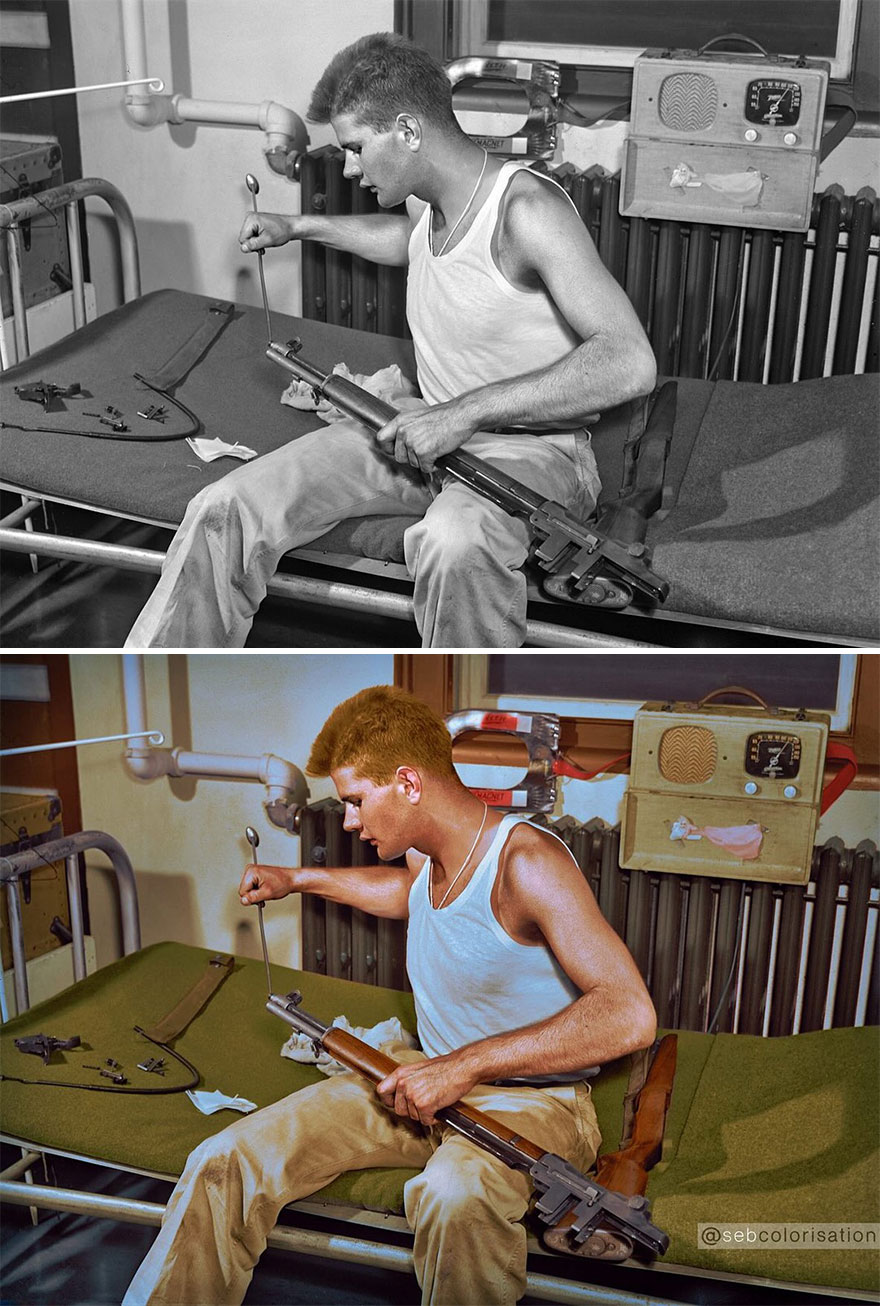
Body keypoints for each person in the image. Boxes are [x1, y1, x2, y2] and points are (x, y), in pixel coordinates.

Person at [123, 685, 656, 1305]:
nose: (348, 820)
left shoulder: (527, 863)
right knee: (227, 1158)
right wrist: (297, 879)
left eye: (355, 801)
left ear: (407, 782)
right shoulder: (428, 854)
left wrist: (464, 1066)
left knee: (454, 1196)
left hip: (530, 1103)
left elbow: (629, 1014)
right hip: (418, 1082)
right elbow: (415, 899)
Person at [124, 32, 656, 649]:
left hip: (531, 452)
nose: (349, 167)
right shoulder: (429, 200)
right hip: (420, 434)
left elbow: (629, 361)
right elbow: (415, 245)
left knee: (454, 543)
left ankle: (456, 709)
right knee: (226, 508)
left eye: (355, 148)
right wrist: (297, 226)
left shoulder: (528, 211)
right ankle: (162, 690)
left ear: (407, 130)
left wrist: (463, 413)